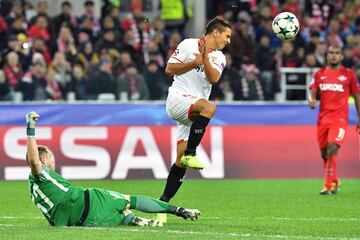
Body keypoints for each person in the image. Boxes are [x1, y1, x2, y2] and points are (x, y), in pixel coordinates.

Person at [25, 111, 200, 227]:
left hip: (84, 223)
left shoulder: (35, 188)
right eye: (50, 157)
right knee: (129, 200)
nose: (53, 160)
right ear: (43, 159)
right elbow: (34, 162)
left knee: (123, 216)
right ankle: (178, 210)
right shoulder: (41, 173)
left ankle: (136, 220)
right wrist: (30, 129)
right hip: (90, 200)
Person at [157, 17, 231, 222]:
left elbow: (214, 79)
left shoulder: (220, 58)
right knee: (210, 107)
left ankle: (162, 204)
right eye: (227, 36)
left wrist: (204, 58)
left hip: (193, 111)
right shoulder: (188, 44)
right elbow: (169, 70)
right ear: (215, 32)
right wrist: (193, 62)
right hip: (178, 100)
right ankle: (192, 152)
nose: (228, 41)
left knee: (180, 162)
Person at [308, 45, 360, 195]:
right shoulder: (319, 74)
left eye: (337, 53)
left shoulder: (349, 74)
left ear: (342, 57)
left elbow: (357, 96)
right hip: (323, 119)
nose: (334, 56)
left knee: (332, 147)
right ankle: (335, 180)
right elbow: (313, 90)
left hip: (340, 119)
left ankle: (327, 185)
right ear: (327, 56)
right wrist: (311, 100)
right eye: (331, 53)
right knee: (324, 153)